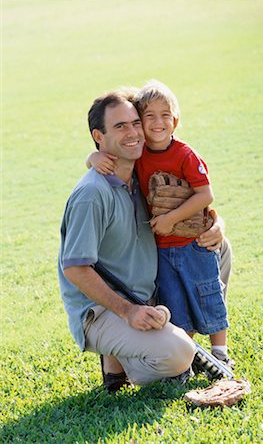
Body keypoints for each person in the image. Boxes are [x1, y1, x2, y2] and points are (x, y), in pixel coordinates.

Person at [86, 80, 234, 368]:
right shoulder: (134, 159)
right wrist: (92, 157)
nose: (155, 124)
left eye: (164, 115)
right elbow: (107, 161)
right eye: (147, 117)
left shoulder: (184, 154)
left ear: (176, 120)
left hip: (185, 242)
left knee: (207, 289)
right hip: (155, 256)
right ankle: (186, 355)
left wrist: (210, 221)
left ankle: (219, 351)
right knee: (175, 302)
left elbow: (205, 195)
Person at [58, 89, 197, 393]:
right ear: (99, 136)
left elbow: (196, 199)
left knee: (217, 249)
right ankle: (123, 363)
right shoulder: (91, 196)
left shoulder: (144, 177)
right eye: (120, 127)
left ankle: (135, 353)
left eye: (136, 123)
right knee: (180, 354)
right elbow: (75, 269)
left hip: (145, 298)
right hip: (102, 312)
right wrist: (127, 311)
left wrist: (215, 225)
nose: (133, 132)